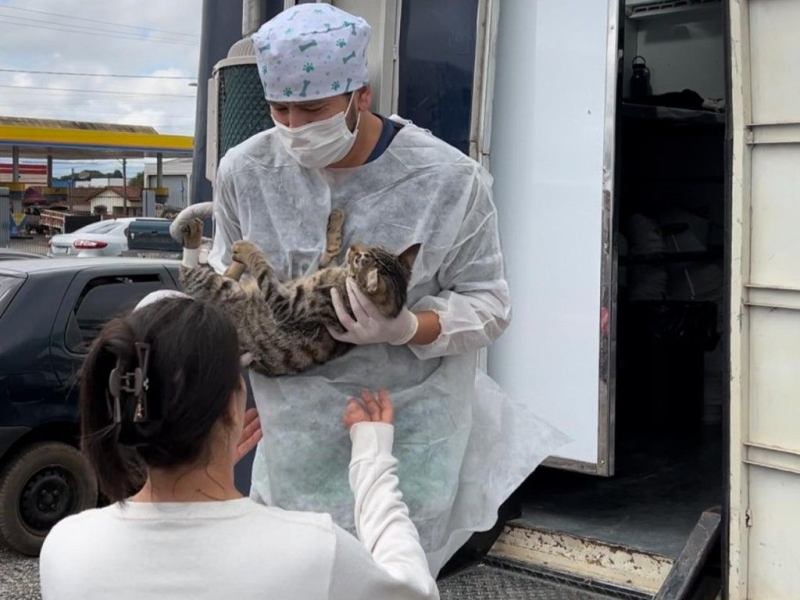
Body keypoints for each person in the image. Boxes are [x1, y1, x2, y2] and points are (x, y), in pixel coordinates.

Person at [206, 3, 566, 575]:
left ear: (360, 95)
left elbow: (490, 304)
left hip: (405, 441)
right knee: (293, 577)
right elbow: (229, 286)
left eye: (314, 109)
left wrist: (408, 328)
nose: (294, 129)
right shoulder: (246, 172)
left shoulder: (446, 181)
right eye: (280, 110)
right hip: (292, 442)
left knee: (393, 576)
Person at [39, 296, 439, 600]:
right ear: (233, 404)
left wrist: (200, 468)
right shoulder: (312, 551)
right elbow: (414, 589)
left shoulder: (67, 547)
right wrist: (373, 460)